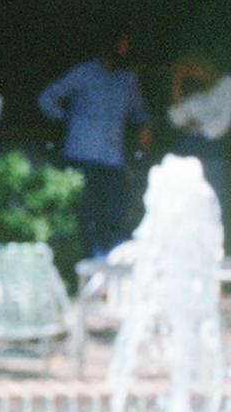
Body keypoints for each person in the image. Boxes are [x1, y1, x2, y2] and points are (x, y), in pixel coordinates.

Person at [38, 27, 152, 260]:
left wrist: (145, 127)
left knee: (113, 215)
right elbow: (47, 98)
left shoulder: (127, 79)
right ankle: (87, 267)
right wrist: (68, 120)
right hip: (83, 155)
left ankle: (109, 267)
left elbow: (138, 112)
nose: (125, 49)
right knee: (86, 216)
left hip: (113, 159)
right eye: (121, 44)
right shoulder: (84, 73)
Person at [165, 52, 231, 204]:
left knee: (209, 199)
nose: (192, 72)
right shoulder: (195, 95)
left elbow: (223, 124)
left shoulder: (227, 83)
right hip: (187, 147)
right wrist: (177, 80)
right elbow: (175, 119)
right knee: (182, 199)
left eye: (194, 67)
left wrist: (196, 126)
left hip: (210, 149)